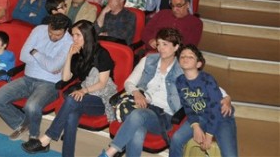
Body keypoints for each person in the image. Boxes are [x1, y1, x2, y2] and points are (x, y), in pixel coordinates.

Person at [22, 21, 117, 157]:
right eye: (73, 35)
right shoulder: (77, 52)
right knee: (71, 115)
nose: (74, 39)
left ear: (88, 35)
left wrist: (83, 91)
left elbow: (102, 83)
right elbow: (66, 78)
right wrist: (69, 56)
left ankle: (48, 137)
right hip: (84, 96)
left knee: (72, 99)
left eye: (78, 35)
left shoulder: (102, 54)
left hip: (102, 99)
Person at [98, 28, 184, 157]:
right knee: (137, 130)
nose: (161, 48)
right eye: (159, 44)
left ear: (176, 47)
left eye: (165, 44)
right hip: (143, 105)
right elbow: (129, 82)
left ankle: (110, 153)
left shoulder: (183, 69)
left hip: (164, 116)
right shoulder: (148, 60)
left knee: (138, 115)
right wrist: (136, 93)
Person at [0, 13, 73, 141]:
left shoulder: (69, 42)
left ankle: (34, 136)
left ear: (66, 30)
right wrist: (47, 63)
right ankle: (22, 124)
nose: (52, 37)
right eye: (50, 32)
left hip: (50, 84)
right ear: (49, 26)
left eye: (57, 35)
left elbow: (52, 66)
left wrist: (35, 53)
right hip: (27, 78)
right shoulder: (39, 30)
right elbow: (24, 56)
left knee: (32, 106)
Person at [169, 45, 238, 157]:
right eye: (182, 56)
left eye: (190, 57)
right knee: (176, 139)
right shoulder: (180, 81)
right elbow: (188, 106)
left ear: (198, 64)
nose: (185, 58)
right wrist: (195, 126)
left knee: (230, 155)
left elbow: (216, 109)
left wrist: (209, 135)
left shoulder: (207, 79)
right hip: (200, 117)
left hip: (221, 117)